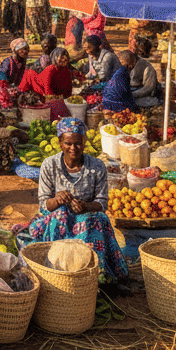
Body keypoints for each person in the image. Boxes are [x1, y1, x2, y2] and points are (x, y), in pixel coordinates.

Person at [28, 118, 129, 284]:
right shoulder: (49, 165)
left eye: (78, 143)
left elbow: (102, 203)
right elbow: (44, 206)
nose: (73, 148)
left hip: (87, 216)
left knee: (94, 220)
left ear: (84, 142)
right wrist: (57, 200)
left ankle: (94, 275)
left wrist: (86, 206)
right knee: (60, 215)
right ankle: (58, 270)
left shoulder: (97, 166)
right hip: (57, 217)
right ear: (60, 143)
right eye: (68, 143)